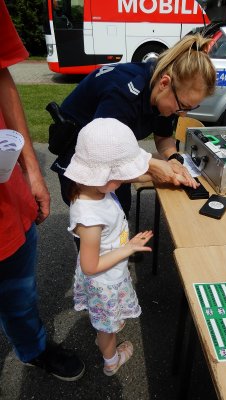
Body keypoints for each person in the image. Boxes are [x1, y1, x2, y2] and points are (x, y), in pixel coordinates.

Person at [0, 0, 85, 381]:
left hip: (7, 200)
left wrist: (32, 170)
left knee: (19, 294)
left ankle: (32, 348)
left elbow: (1, 76)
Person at [49, 33, 216, 216]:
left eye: (189, 108)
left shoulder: (167, 94)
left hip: (109, 154)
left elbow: (163, 136)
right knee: (95, 219)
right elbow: (106, 152)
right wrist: (152, 167)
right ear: (164, 83)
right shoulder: (124, 93)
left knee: (121, 207)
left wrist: (174, 160)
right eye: (183, 106)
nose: (182, 113)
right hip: (81, 158)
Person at [64, 118, 155, 375]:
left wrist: (157, 175)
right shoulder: (90, 218)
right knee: (107, 330)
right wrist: (129, 248)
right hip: (103, 280)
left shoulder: (96, 188)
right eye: (119, 176)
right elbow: (90, 266)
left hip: (111, 272)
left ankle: (108, 325)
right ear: (103, 176)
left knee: (108, 321)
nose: (124, 180)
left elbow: (127, 178)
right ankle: (111, 359)